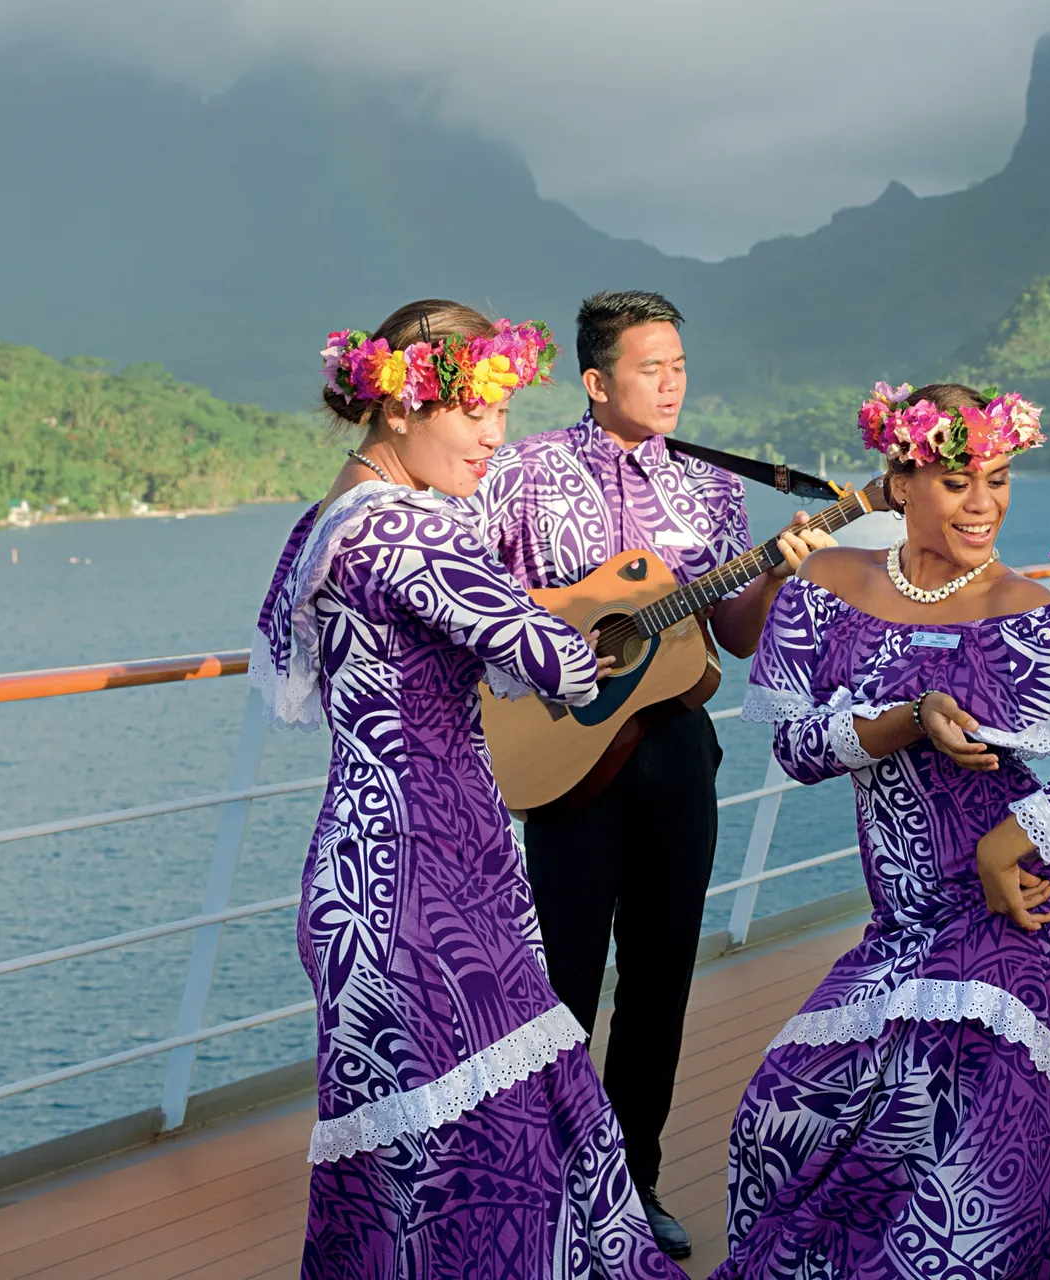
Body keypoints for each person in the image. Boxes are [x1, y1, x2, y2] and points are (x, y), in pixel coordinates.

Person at [252, 300, 685, 1278]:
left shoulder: (330, 519)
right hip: (421, 888)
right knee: (484, 1160)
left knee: (425, 1169)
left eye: (503, 410)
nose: (495, 435)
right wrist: (592, 616)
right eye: (473, 410)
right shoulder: (408, 531)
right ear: (400, 406)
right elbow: (559, 664)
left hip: (376, 871)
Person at [712, 383, 1050, 1280]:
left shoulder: (1035, 613)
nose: (984, 503)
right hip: (902, 919)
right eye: (958, 482)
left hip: (1022, 905)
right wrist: (909, 717)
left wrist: (1012, 840)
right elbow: (799, 749)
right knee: (778, 1116)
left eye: (999, 479)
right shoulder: (823, 589)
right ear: (900, 482)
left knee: (949, 1117)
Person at [470, 290, 834, 1258]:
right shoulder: (521, 471)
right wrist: (570, 624)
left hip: (675, 748)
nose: (671, 384)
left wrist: (774, 571)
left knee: (662, 976)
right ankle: (551, 1190)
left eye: (678, 366)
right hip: (565, 754)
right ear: (597, 381)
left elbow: (736, 637)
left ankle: (634, 1185)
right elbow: (470, 590)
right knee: (562, 983)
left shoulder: (712, 488)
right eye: (649, 368)